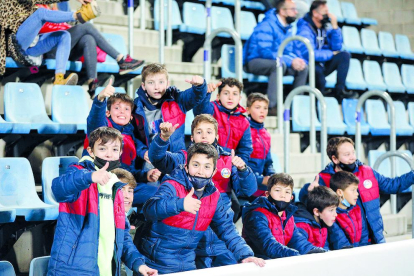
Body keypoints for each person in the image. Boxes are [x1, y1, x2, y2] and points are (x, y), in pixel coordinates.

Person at [148, 113, 257, 268]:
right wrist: (162, 139)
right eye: (199, 132)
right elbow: (158, 159)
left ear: (217, 135)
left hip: (221, 235)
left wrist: (243, 170)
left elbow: (247, 190)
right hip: (194, 235)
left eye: (209, 131)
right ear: (192, 137)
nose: (204, 136)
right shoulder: (183, 158)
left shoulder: (228, 159)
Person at [138, 143, 265, 274]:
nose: (200, 171)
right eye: (196, 165)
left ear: (214, 171)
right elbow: (150, 210)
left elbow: (227, 228)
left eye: (207, 167)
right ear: (186, 167)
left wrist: (245, 254)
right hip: (154, 264)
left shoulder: (214, 195)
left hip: (187, 265)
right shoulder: (171, 185)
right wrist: (179, 204)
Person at [48, 127, 157, 276]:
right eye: (102, 148)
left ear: (120, 153)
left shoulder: (116, 185)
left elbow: (122, 237)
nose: (108, 154)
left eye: (114, 149)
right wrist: (90, 177)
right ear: (91, 151)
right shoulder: (78, 172)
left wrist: (139, 265)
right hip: (74, 270)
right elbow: (58, 189)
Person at [299, 137, 414, 245]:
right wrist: (307, 191)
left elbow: (392, 185)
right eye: (347, 154)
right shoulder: (324, 178)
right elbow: (311, 203)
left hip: (375, 238)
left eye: (353, 152)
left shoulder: (367, 171)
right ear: (335, 158)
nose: (353, 157)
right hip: (344, 241)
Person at [40, 4, 144, 96]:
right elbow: (45, 28)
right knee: (86, 26)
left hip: (66, 47)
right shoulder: (38, 5)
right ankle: (121, 60)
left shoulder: (61, 4)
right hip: (51, 48)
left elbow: (70, 23)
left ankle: (92, 84)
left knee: (88, 39)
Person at [85, 80, 160, 207]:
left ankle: (137, 222)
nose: (121, 111)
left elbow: (129, 172)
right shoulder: (101, 129)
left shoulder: (130, 136)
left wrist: (146, 175)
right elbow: (94, 120)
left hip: (124, 185)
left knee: (157, 192)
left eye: (126, 109)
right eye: (117, 108)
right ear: (108, 113)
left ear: (131, 117)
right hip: (102, 185)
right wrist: (100, 99)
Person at [1, 0, 100, 85]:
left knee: (64, 35)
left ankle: (59, 79)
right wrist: (76, 16)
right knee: (41, 13)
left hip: (30, 47)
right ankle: (78, 15)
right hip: (13, 43)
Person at [243, 0, 308, 114]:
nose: (296, 12)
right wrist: (289, 61)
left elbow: (289, 50)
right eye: (292, 9)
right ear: (282, 11)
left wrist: (295, 60)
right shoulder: (267, 25)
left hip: (277, 60)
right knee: (279, 65)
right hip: (255, 61)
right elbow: (265, 52)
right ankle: (273, 106)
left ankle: (295, 109)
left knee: (303, 68)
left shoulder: (287, 28)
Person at [242, 173, 326, 259]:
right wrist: (296, 255)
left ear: (291, 197)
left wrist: (314, 251)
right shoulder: (257, 215)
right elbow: (268, 246)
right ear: (267, 194)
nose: (283, 195)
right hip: (258, 265)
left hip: (277, 262)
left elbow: (297, 240)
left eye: (287, 192)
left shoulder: (288, 216)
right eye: (277, 190)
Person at [133, 63, 207, 157]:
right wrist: (143, 153)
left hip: (175, 156)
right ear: (143, 86)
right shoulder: (136, 107)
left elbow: (195, 97)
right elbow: (133, 137)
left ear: (167, 83)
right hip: (150, 158)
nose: (156, 87)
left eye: (161, 82)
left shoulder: (177, 99)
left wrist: (200, 86)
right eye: (151, 82)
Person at [293, 1, 355, 98]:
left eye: (328, 12)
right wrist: (331, 53)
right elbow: (310, 54)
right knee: (319, 74)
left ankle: (339, 91)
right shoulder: (304, 28)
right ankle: (318, 97)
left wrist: (335, 28)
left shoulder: (325, 27)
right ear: (315, 13)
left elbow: (337, 48)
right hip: (307, 64)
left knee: (344, 55)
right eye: (325, 13)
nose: (328, 15)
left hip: (321, 63)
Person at [193, 78, 253, 163]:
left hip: (228, 165)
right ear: (218, 96)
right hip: (205, 160)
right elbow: (199, 110)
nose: (230, 97)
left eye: (235, 94)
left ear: (240, 98)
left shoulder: (244, 121)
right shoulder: (212, 108)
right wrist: (205, 93)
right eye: (226, 93)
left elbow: (245, 149)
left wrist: (238, 164)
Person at [329, 171, 369, 249]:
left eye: (356, 190)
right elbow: (341, 243)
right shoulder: (332, 215)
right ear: (340, 192)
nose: (357, 193)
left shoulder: (357, 209)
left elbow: (364, 236)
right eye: (353, 190)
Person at [246, 93, 275, 196]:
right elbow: (241, 164)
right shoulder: (244, 131)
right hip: (247, 181)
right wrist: (260, 179)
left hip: (261, 181)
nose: (262, 111)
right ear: (248, 110)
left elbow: (268, 162)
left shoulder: (266, 134)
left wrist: (272, 176)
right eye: (258, 107)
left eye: (265, 108)